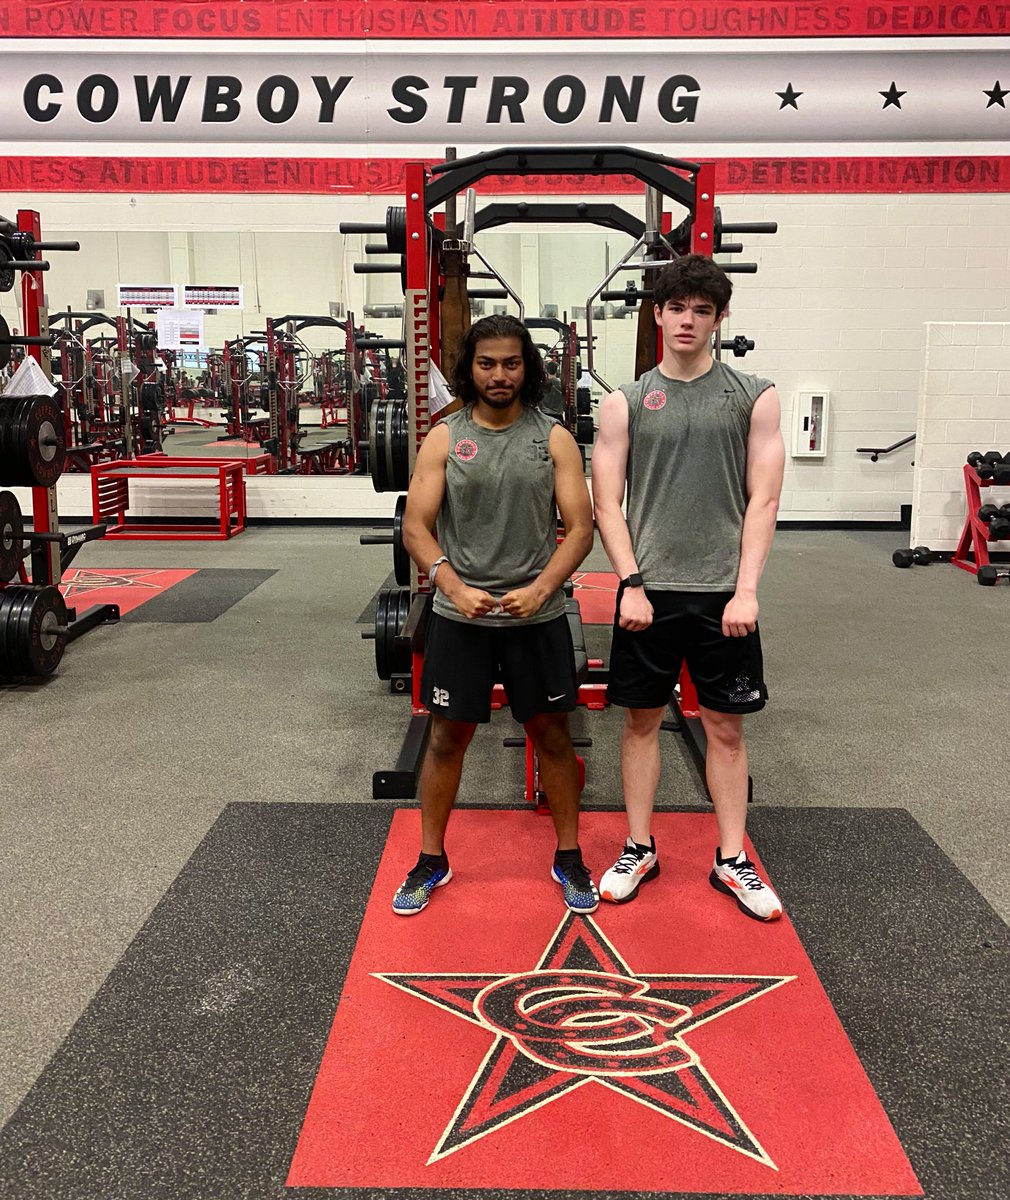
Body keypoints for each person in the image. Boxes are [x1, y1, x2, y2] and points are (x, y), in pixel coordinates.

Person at [591, 255, 785, 921]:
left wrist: (748, 590)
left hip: (724, 595)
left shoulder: (753, 395)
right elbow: (606, 505)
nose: (689, 321)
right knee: (640, 721)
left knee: (726, 728)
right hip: (648, 594)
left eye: (703, 310)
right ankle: (639, 846)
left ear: (719, 318)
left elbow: (763, 502)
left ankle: (732, 858)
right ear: (658, 314)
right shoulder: (625, 401)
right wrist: (631, 584)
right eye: (678, 309)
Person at [395, 314, 598, 916]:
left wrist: (542, 589)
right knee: (445, 737)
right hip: (462, 618)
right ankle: (433, 859)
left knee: (552, 736)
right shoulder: (444, 437)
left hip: (536, 617)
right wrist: (451, 585)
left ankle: (568, 856)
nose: (500, 375)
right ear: (471, 368)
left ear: (526, 367)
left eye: (511, 363)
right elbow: (416, 527)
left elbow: (581, 529)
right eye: (487, 363)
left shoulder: (553, 437)